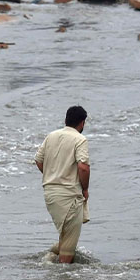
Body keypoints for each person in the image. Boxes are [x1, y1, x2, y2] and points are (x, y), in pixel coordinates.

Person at [34, 106, 90, 264]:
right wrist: (85, 188)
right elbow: (83, 167)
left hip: (50, 193)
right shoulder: (80, 139)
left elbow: (38, 160)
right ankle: (62, 279)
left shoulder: (52, 136)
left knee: (66, 234)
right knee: (69, 246)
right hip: (69, 194)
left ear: (65, 120)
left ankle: (51, 256)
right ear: (82, 123)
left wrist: (52, 175)